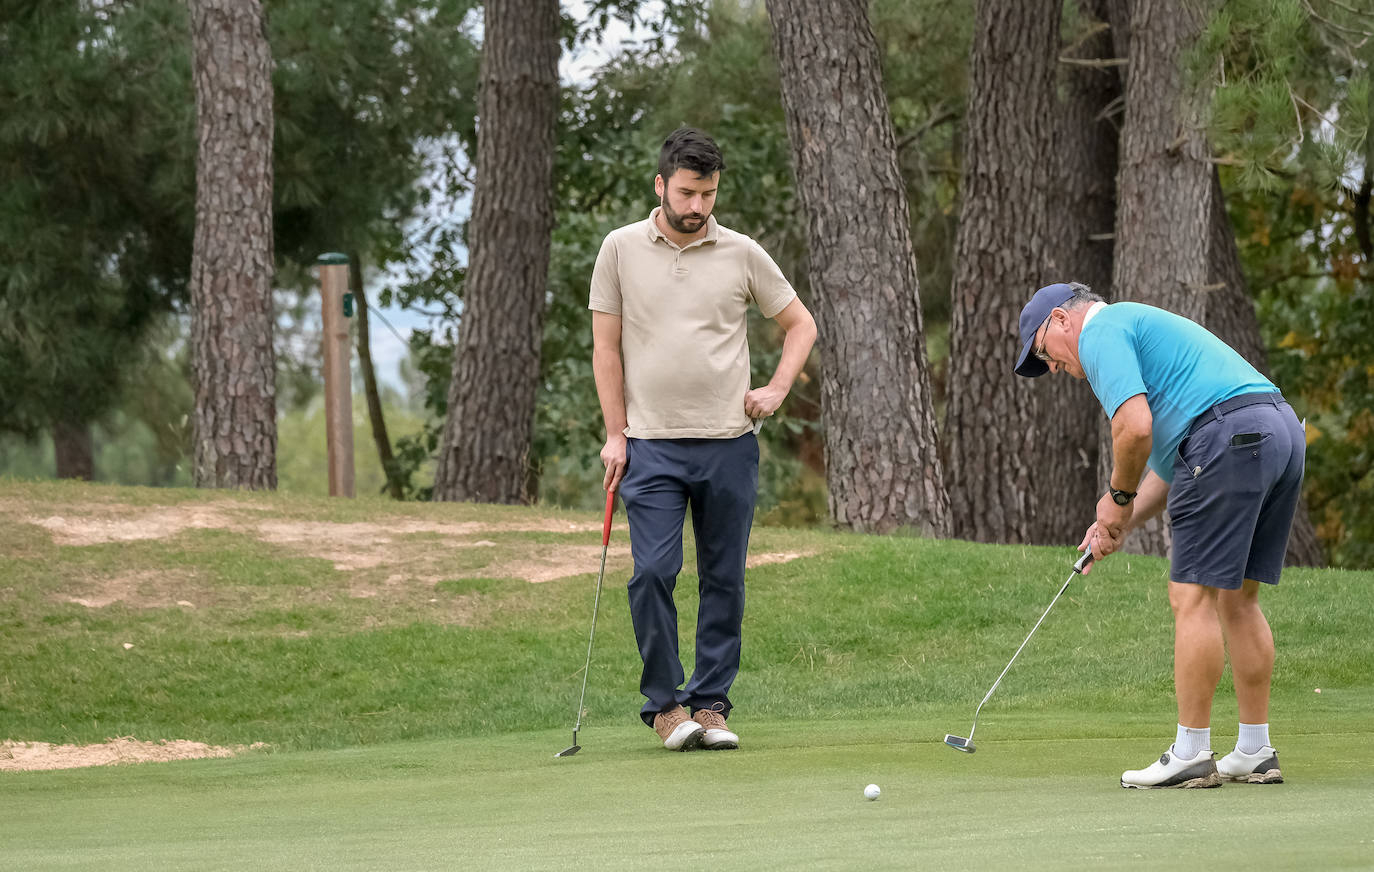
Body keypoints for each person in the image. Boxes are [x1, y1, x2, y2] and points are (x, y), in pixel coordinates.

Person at [1013, 281, 1304, 789]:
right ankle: (1254, 749)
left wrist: (1116, 498)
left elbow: (1135, 428)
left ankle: (1191, 751)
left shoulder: (1100, 331)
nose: (1055, 368)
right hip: (1277, 431)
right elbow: (1170, 468)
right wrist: (1116, 523)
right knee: (1239, 599)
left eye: (1045, 353)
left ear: (1061, 319)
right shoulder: (1140, 332)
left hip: (1225, 439)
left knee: (1191, 595)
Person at [589, 127, 817, 751]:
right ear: (661, 185)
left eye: (708, 195)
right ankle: (665, 707)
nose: (697, 207)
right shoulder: (619, 249)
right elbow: (604, 348)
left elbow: (801, 324)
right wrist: (615, 434)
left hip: (728, 442)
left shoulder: (741, 252)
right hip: (651, 445)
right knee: (653, 572)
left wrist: (775, 389)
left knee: (725, 578)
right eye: (687, 193)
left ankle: (710, 704)